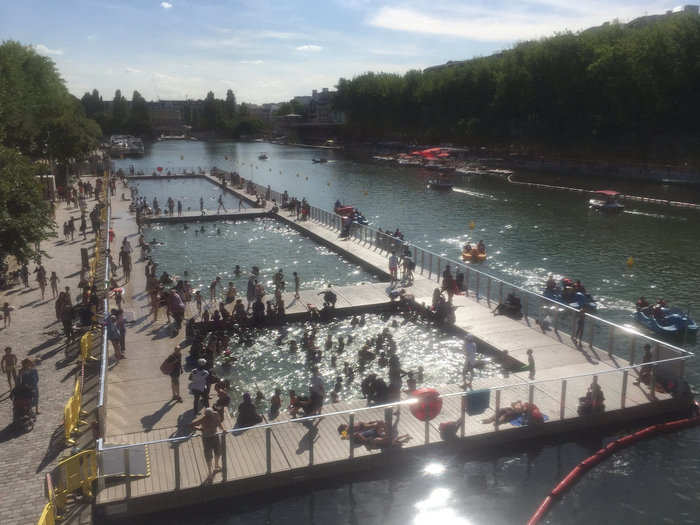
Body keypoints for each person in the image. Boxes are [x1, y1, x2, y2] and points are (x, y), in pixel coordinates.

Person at [191, 408, 224, 483]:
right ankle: (209, 472)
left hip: (215, 436)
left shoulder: (216, 414)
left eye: (210, 415)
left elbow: (219, 423)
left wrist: (223, 429)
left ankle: (216, 465)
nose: (210, 417)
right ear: (206, 415)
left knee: (218, 452)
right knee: (208, 455)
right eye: (208, 416)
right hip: (206, 438)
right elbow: (192, 425)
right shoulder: (203, 419)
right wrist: (201, 430)